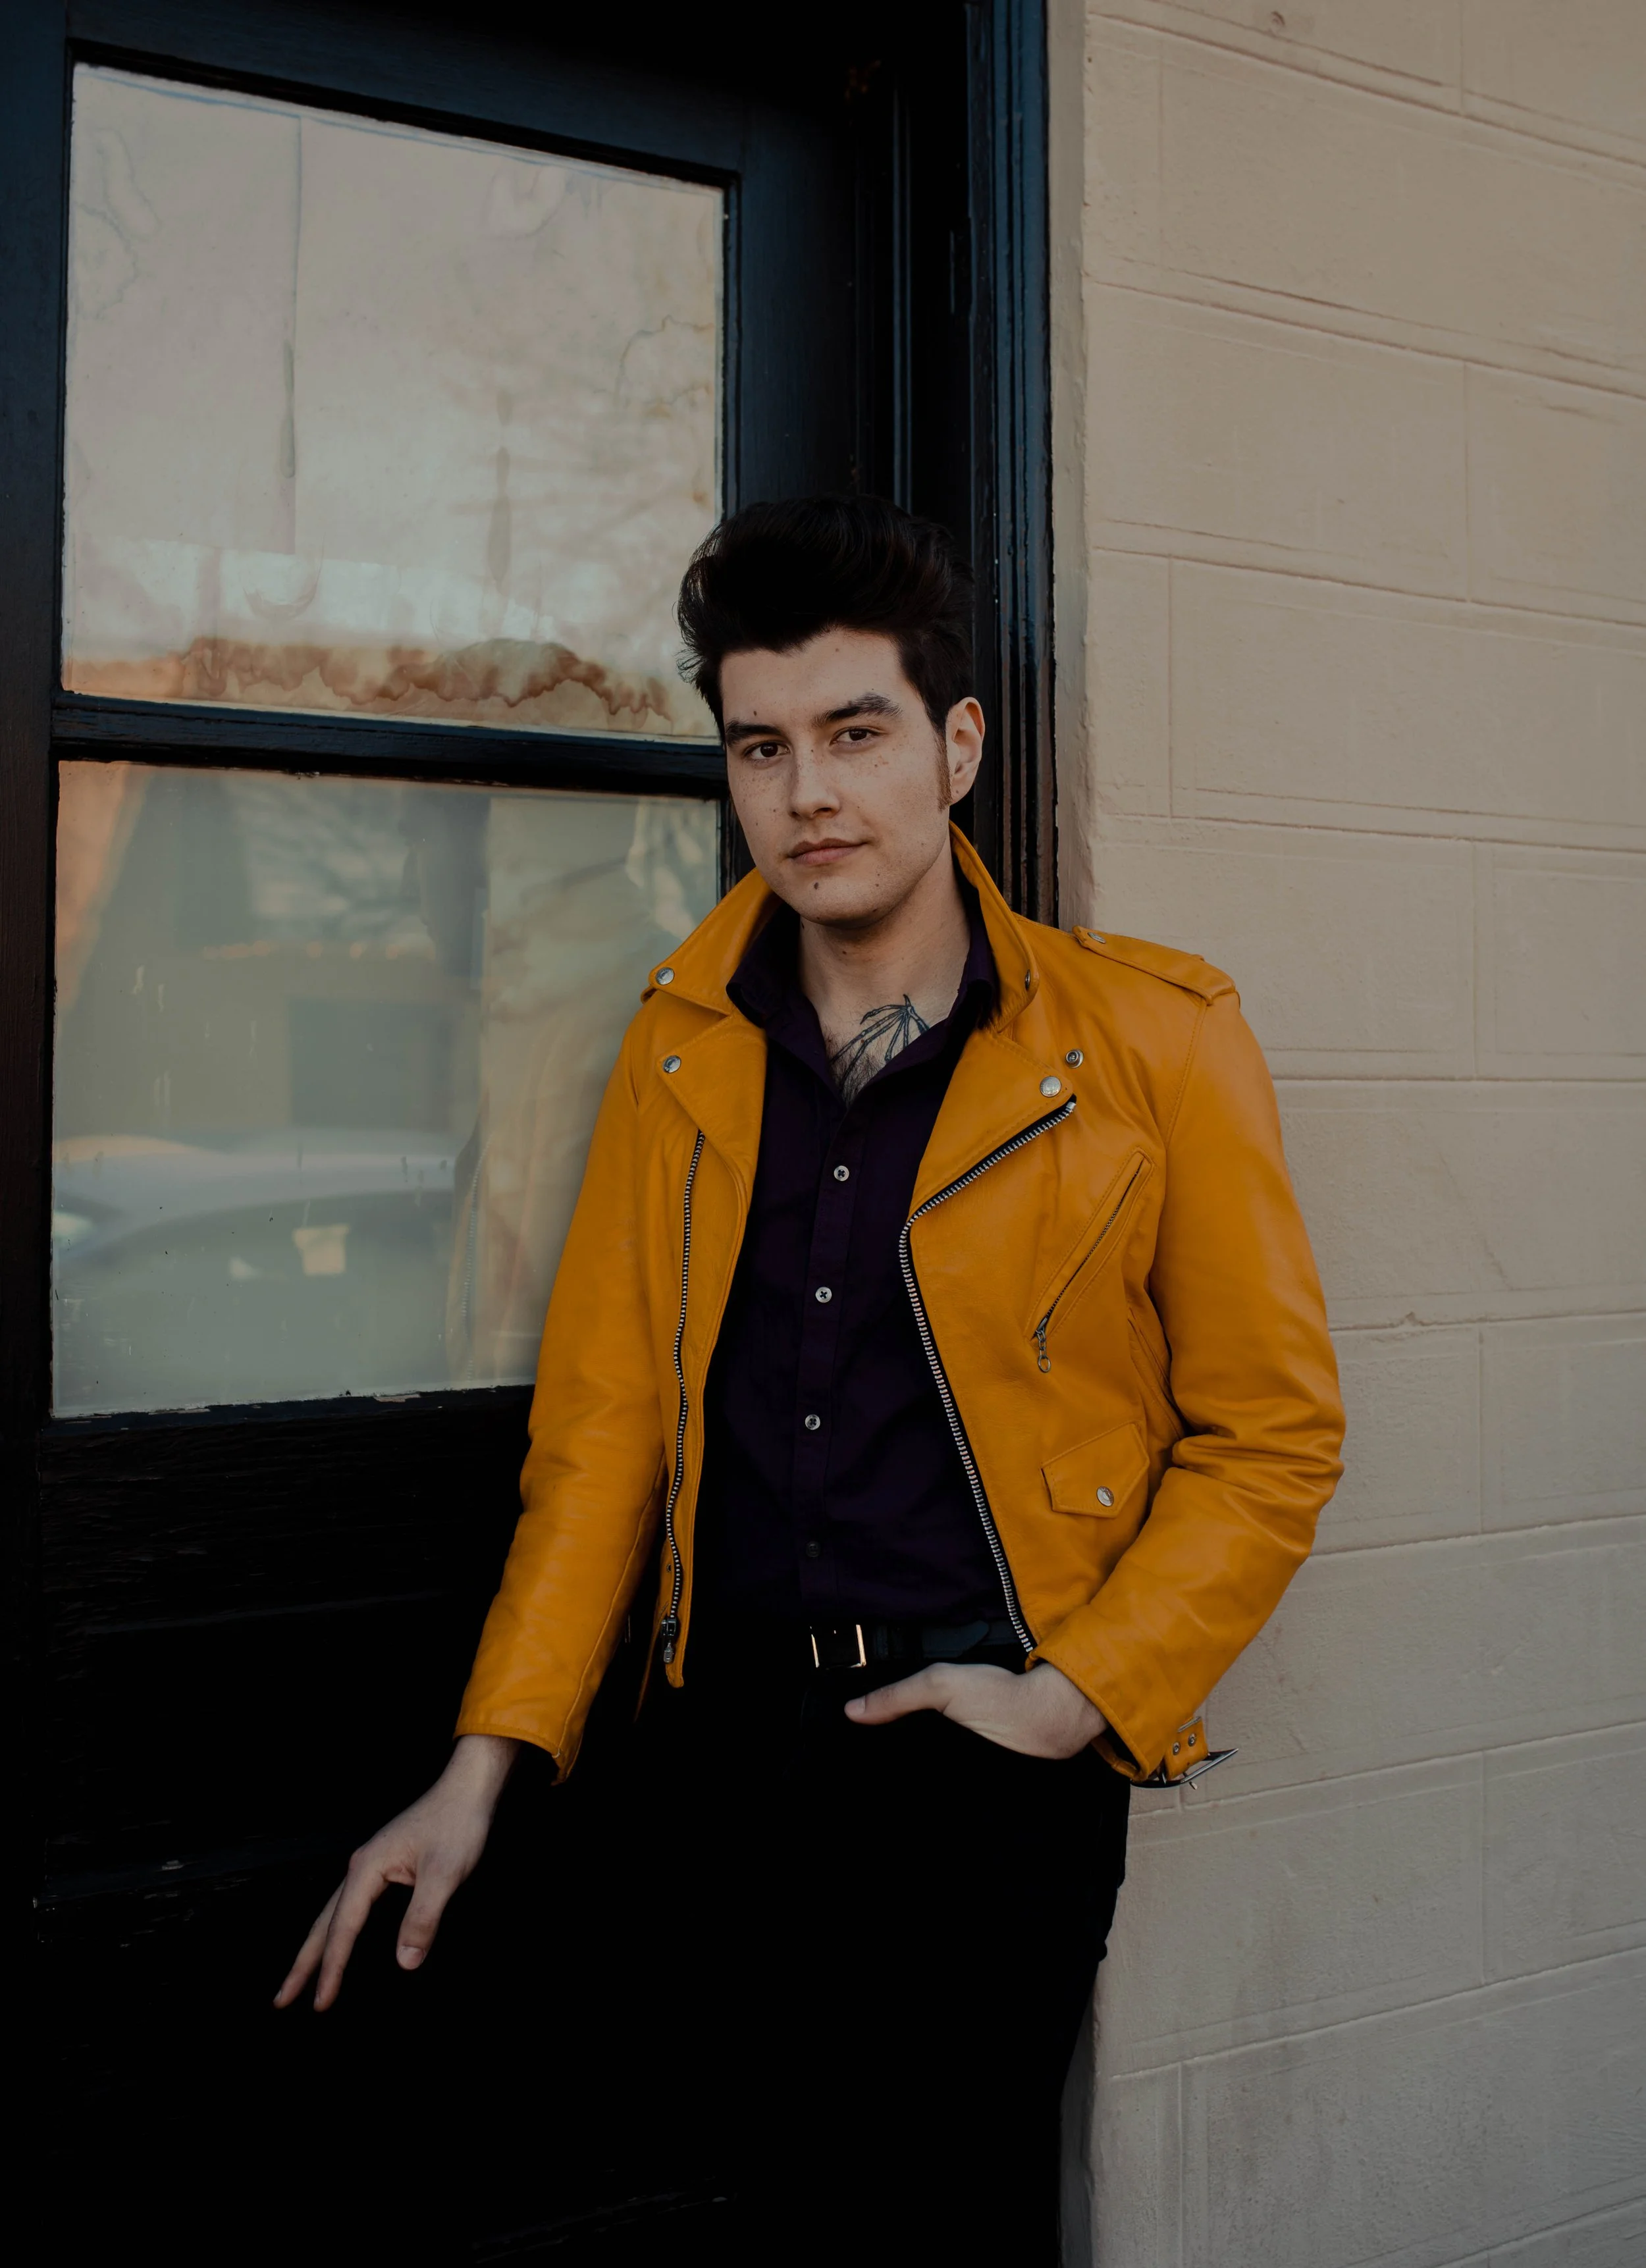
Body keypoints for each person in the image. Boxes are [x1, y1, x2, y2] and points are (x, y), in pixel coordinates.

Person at [277, 495, 1344, 2260]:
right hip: (719, 1753)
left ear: (955, 745)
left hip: (982, 1768)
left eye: (854, 734)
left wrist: (1073, 1696)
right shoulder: (680, 1046)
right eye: (760, 746)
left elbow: (1271, 1435)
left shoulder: (1151, 1045)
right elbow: (602, 1434)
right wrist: (486, 1759)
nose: (808, 794)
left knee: (936, 2220)